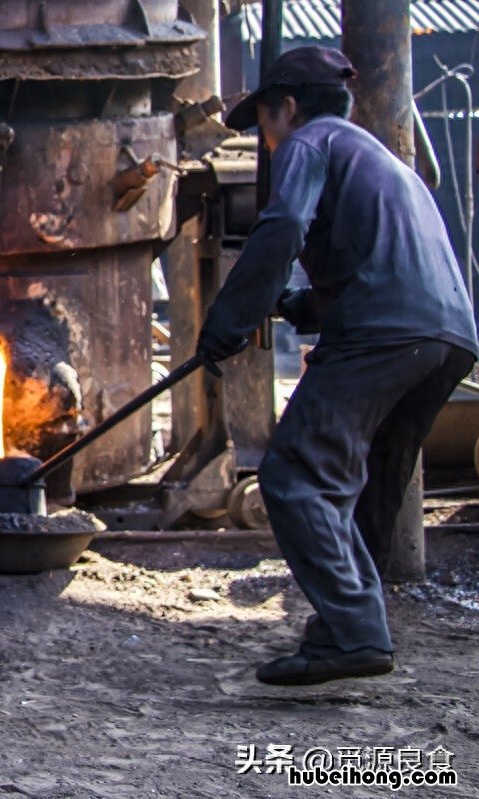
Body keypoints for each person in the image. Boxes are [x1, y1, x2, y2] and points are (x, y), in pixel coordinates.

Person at [200, 46, 478, 687]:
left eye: (264, 123)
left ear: (288, 108)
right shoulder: (385, 162)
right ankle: (346, 632)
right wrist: (293, 303)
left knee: (296, 473)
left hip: (384, 335)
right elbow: (382, 268)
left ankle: (352, 632)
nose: (266, 142)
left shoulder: (310, 142)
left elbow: (284, 228)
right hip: (447, 338)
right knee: (372, 482)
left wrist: (227, 322)